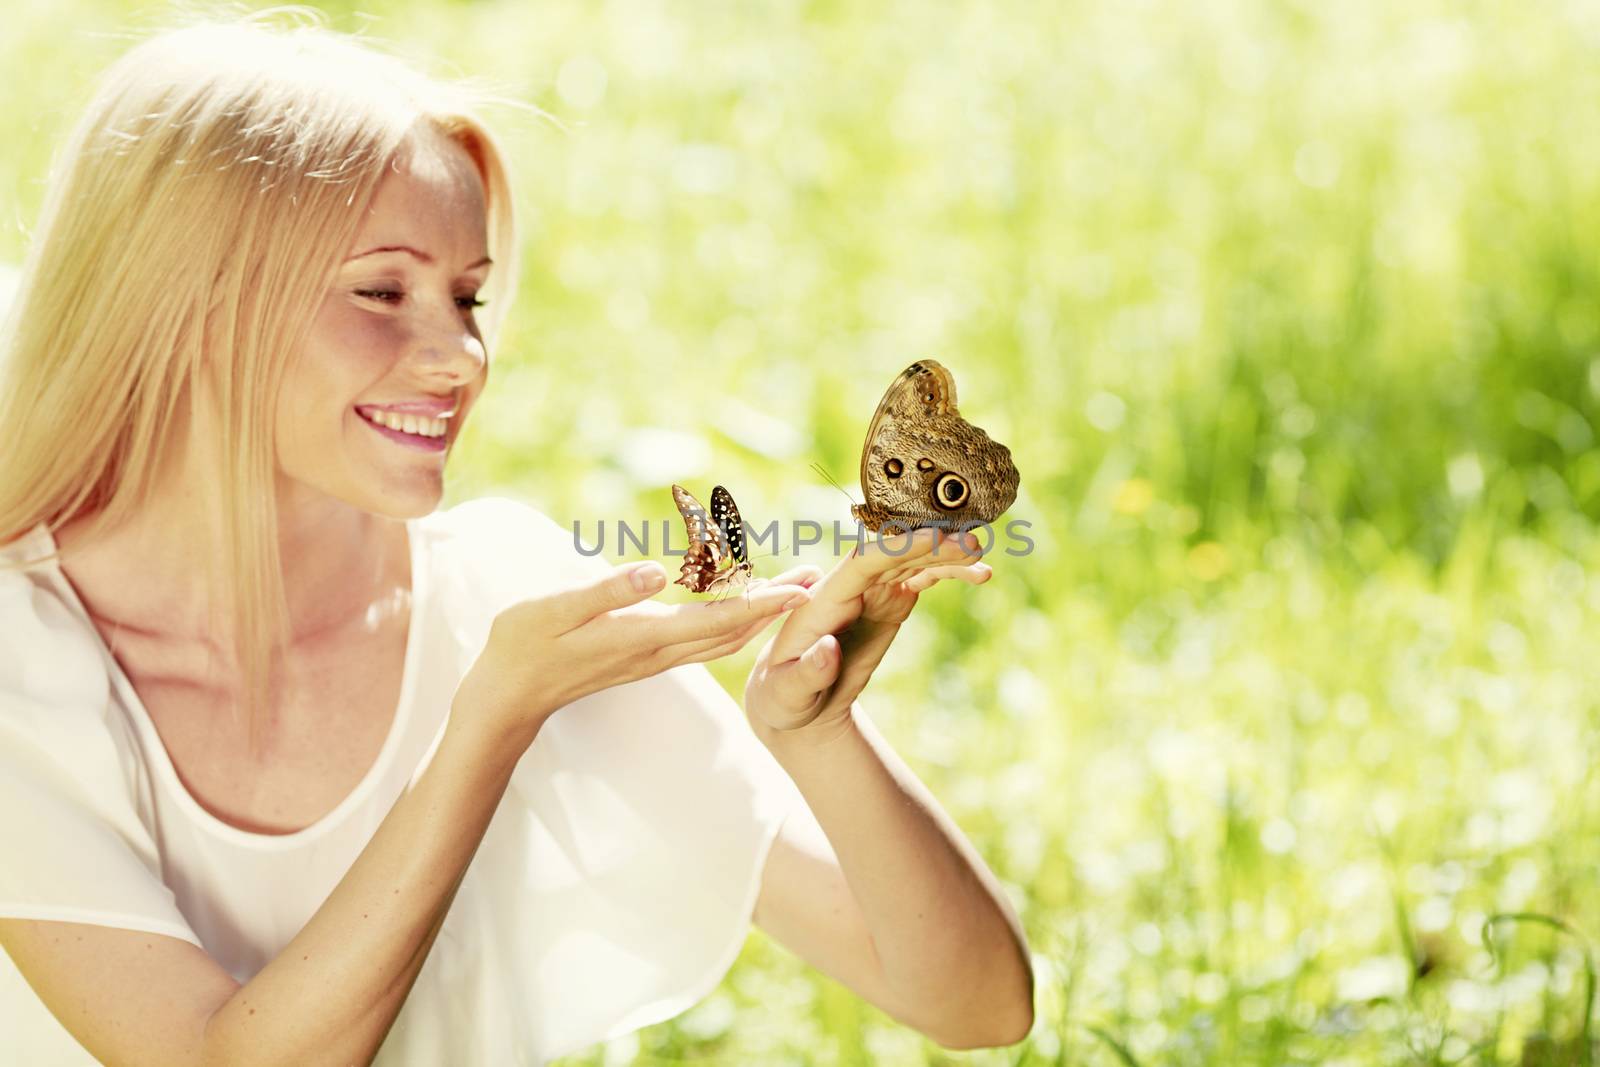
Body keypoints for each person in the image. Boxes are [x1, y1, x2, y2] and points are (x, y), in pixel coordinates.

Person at [0, 15, 1034, 1065]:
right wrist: (490, 717)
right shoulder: (20, 663)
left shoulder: (505, 596)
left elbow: (974, 1003)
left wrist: (818, 734)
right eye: (381, 290)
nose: (459, 356)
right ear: (189, 303)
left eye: (467, 295)